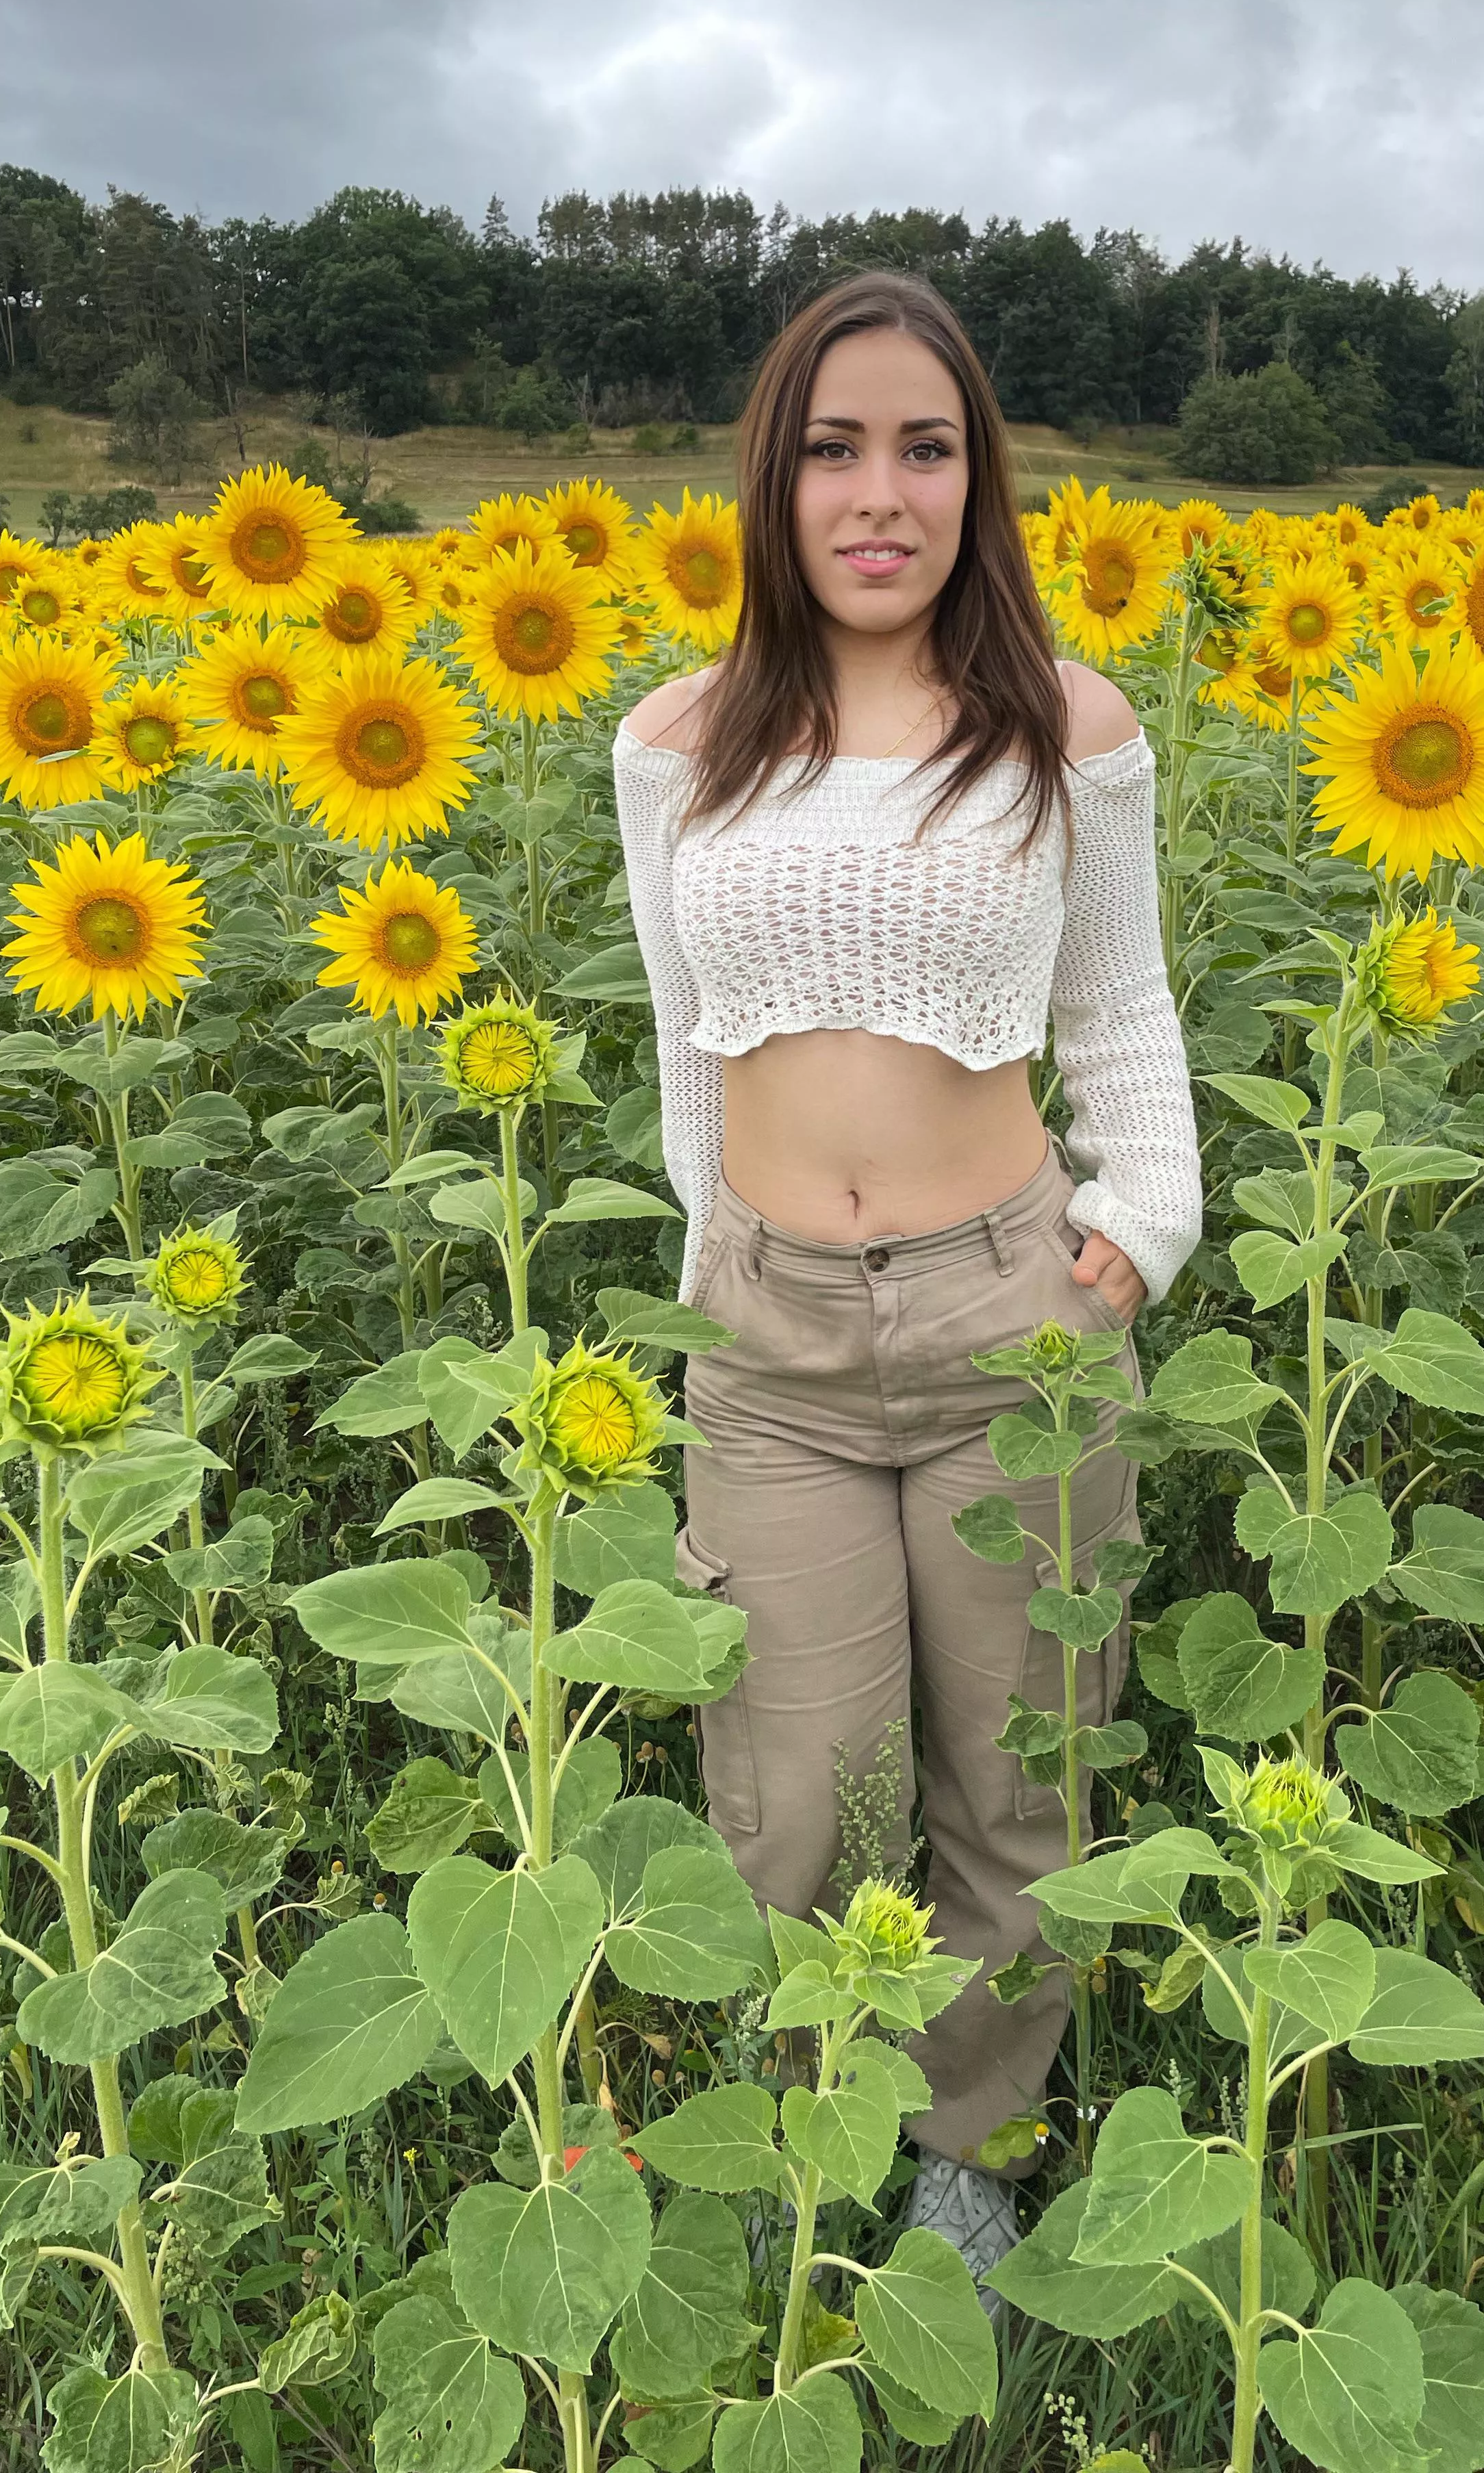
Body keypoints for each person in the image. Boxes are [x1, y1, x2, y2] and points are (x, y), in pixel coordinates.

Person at [613, 269, 1201, 2285]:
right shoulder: (679, 742)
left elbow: (1120, 1008)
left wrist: (1141, 1231)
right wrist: (713, 1259)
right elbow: (687, 1039)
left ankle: (974, 2153)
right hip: (767, 1337)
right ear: (774, 479)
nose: (882, 494)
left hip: (1009, 1321)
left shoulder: (1066, 727)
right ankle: (826, 2117)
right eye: (835, 448)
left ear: (979, 479)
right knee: (803, 1785)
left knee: (1019, 1776)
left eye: (926, 449)